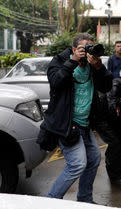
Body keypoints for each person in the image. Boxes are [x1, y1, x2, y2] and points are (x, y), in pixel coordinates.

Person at [37, 33, 112, 203]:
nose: (88, 51)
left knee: (93, 159)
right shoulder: (60, 60)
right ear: (74, 49)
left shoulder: (93, 64)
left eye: (90, 47)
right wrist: (72, 61)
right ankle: (50, 201)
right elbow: (55, 81)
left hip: (85, 124)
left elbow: (106, 86)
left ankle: (84, 199)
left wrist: (99, 67)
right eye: (84, 48)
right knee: (78, 164)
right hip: (67, 124)